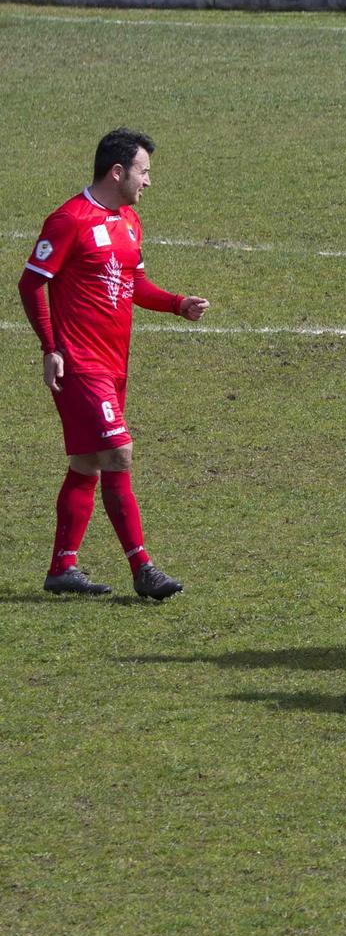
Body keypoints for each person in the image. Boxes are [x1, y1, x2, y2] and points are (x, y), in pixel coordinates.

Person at [18, 129, 209, 600]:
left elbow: (134, 285)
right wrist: (51, 347)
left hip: (114, 364)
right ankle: (143, 568)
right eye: (144, 172)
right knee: (119, 453)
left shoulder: (128, 222)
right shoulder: (69, 220)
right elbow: (30, 284)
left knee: (86, 462)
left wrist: (176, 303)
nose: (148, 182)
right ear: (118, 171)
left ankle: (62, 568)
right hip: (80, 365)